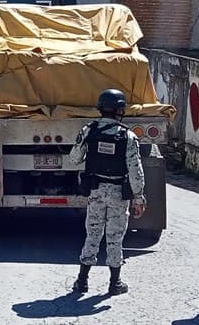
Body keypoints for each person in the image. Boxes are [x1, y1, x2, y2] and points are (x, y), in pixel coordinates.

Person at [69, 88, 146, 296]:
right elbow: (135, 170)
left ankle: (82, 281)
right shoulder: (127, 136)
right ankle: (115, 283)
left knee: (92, 235)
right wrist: (138, 198)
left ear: (101, 108)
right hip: (118, 193)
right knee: (115, 237)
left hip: (95, 191)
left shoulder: (88, 130)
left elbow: (74, 159)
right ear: (120, 110)